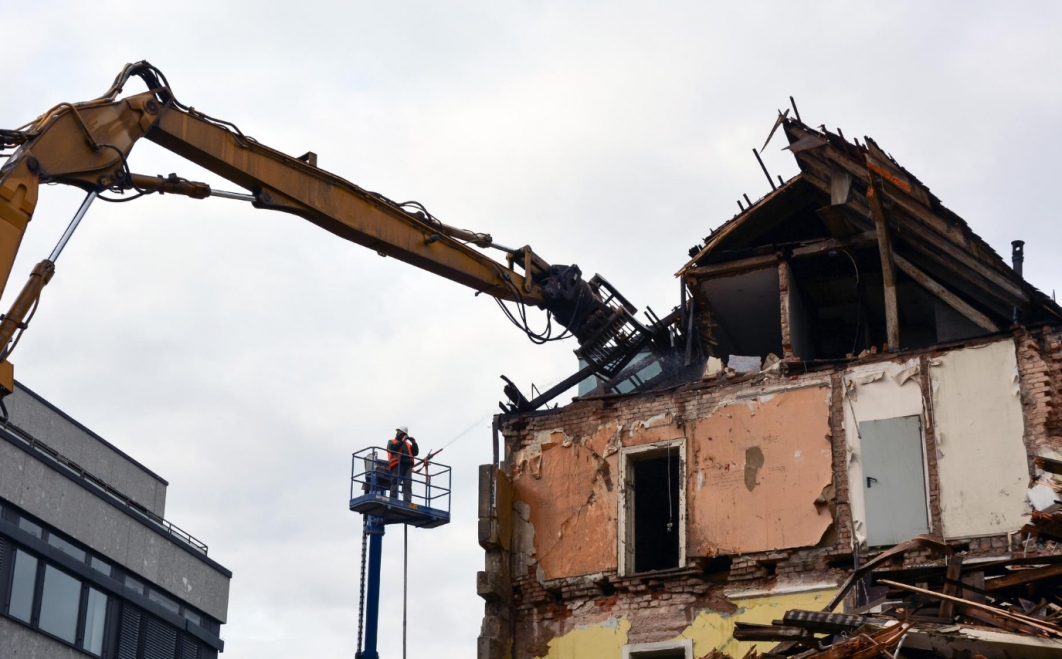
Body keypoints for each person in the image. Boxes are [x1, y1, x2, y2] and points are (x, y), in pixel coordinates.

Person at [387, 426, 419, 503]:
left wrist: (414, 443)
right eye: (402, 434)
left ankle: (407, 501)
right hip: (397, 465)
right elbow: (392, 449)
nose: (403, 436)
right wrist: (401, 441)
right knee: (395, 482)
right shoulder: (392, 441)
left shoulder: (407, 444)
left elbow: (415, 453)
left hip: (407, 466)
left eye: (404, 435)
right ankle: (393, 499)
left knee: (407, 484)